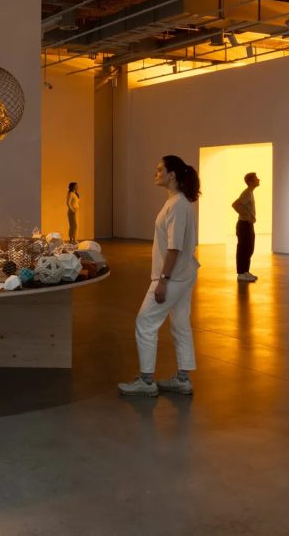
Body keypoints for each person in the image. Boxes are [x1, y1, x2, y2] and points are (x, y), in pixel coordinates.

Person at [118, 155, 200, 397]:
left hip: (172, 277)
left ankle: (146, 380)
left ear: (171, 174)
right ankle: (183, 379)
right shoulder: (180, 203)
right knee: (181, 324)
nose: (155, 174)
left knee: (145, 322)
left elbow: (175, 247)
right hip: (184, 275)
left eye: (159, 170)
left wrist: (163, 280)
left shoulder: (177, 205)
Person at [232, 172, 260, 283]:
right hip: (243, 225)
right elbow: (235, 204)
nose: (259, 179)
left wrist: (249, 217)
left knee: (249, 248)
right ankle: (241, 273)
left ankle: (245, 272)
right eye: (256, 178)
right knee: (243, 249)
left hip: (247, 225)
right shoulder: (246, 193)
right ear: (250, 182)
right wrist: (247, 216)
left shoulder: (250, 193)